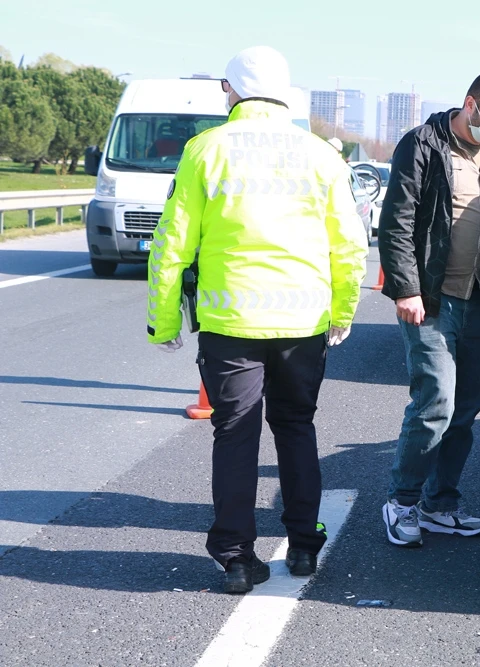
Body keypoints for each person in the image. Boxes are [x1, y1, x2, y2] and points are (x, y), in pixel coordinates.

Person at [146, 46, 368, 593]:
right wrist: (341, 312)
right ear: (286, 93)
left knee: (235, 435)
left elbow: (171, 244)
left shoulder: (205, 150)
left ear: (231, 90)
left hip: (231, 321)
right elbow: (350, 246)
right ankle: (304, 547)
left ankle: (237, 558)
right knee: (296, 428)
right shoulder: (321, 155)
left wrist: (164, 320)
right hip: (303, 323)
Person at [378, 70, 480, 547]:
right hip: (434, 297)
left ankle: (441, 503)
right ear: (471, 104)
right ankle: (402, 501)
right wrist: (406, 288)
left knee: (468, 404)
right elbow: (397, 220)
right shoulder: (422, 144)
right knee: (435, 400)